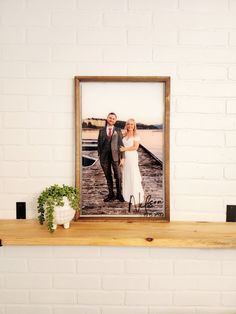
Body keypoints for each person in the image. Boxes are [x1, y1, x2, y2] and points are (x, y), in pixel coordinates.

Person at [98, 112, 125, 202]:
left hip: (116, 156)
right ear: (107, 118)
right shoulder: (101, 130)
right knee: (108, 176)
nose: (111, 119)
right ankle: (111, 194)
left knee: (118, 176)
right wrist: (99, 155)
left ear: (115, 120)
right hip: (104, 157)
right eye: (110, 118)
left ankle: (119, 194)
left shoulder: (118, 130)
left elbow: (121, 145)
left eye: (113, 118)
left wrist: (123, 157)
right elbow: (99, 144)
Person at [120, 119, 144, 205]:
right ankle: (127, 195)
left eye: (132, 124)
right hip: (124, 157)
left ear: (134, 126)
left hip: (132, 157)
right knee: (126, 174)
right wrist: (121, 157)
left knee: (132, 173)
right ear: (126, 125)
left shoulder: (136, 135)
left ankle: (134, 195)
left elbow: (135, 147)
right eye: (128, 124)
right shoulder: (124, 134)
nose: (130, 126)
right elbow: (120, 145)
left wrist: (125, 149)